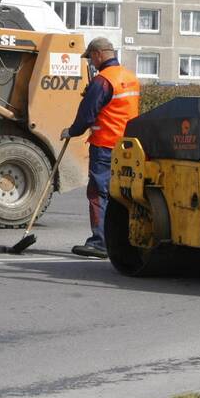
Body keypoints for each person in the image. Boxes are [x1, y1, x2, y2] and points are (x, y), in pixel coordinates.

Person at [61, 37, 140, 259]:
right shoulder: (130, 78)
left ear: (98, 54)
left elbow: (88, 114)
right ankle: (121, 241)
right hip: (128, 147)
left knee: (98, 193)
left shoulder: (102, 81)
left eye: (92, 59)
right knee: (122, 195)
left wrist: (72, 131)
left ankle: (100, 242)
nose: (92, 64)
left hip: (105, 145)